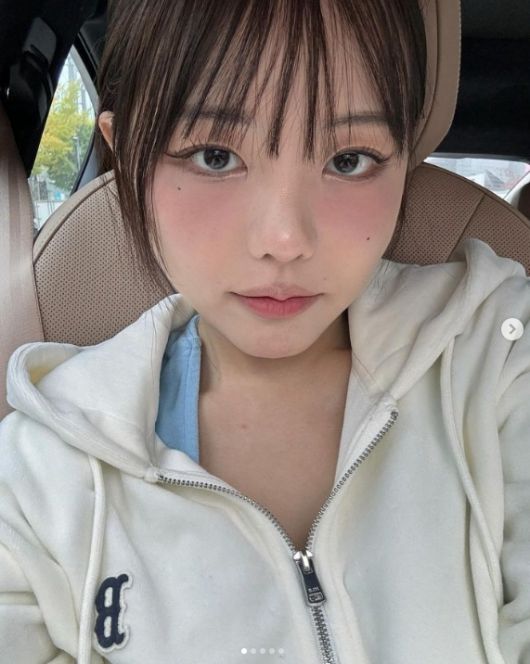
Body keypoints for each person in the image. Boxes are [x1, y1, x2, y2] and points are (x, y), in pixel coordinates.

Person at [0, 0, 529, 662]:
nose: (284, 239)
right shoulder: (38, 476)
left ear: (403, 162)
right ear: (128, 155)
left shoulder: (500, 355)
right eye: (215, 156)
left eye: (350, 159)